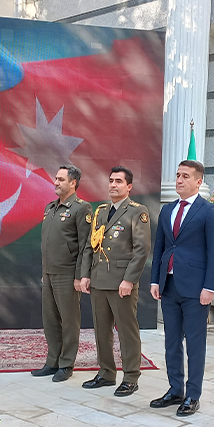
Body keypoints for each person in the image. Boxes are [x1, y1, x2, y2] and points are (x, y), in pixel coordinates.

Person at [149, 160, 214, 416]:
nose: (179, 180)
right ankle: (175, 389)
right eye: (178, 175)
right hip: (169, 285)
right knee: (171, 341)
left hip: (195, 290)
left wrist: (210, 287)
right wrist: (155, 280)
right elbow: (159, 246)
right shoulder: (167, 210)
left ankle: (193, 395)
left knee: (194, 343)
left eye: (185, 176)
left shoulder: (208, 211)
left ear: (198, 182)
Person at [80, 166, 151, 397]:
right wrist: (86, 274)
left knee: (127, 331)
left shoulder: (137, 212)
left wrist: (129, 280)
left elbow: (141, 250)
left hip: (122, 283)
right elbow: (91, 245)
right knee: (102, 330)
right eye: (111, 181)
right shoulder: (100, 211)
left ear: (129, 187)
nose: (113, 185)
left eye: (119, 181)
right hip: (100, 279)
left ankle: (131, 377)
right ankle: (106, 372)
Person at [32, 165, 92, 383]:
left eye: (60, 179)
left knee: (69, 321)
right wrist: (44, 272)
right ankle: (52, 361)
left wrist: (80, 276)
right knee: (50, 320)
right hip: (48, 274)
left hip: (68, 275)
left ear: (73, 183)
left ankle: (66, 364)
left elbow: (86, 245)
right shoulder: (50, 208)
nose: (55, 182)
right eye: (56, 179)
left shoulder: (81, 208)